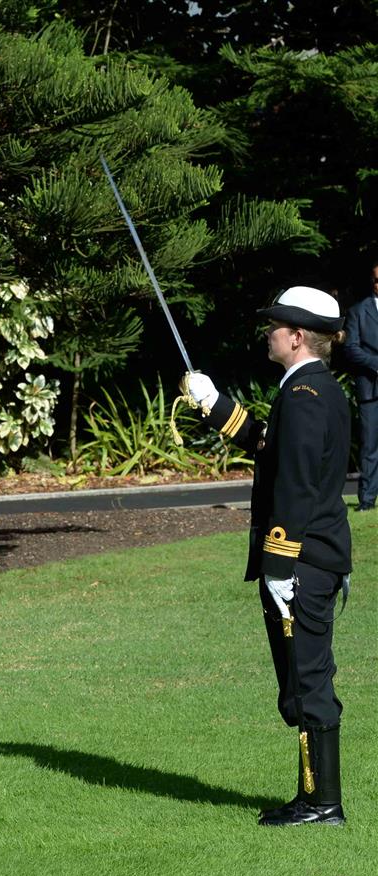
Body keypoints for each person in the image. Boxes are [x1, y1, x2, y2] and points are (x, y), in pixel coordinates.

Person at [183, 286, 351, 826]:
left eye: (275, 325)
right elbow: (266, 444)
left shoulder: (305, 397)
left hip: (300, 562)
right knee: (302, 682)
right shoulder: (310, 390)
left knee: (307, 684)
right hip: (311, 559)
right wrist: (215, 406)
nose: (268, 332)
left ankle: (321, 803)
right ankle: (314, 799)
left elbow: (296, 488)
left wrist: (280, 568)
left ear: (297, 337)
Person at [338, 262, 378, 510]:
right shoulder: (358, 312)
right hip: (370, 389)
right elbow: (351, 348)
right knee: (370, 446)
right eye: (376, 280)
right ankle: (367, 499)